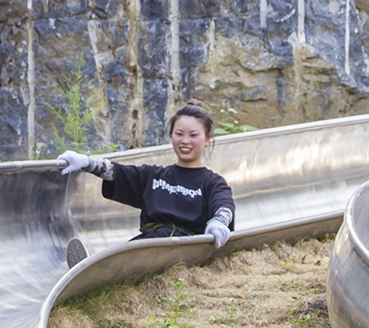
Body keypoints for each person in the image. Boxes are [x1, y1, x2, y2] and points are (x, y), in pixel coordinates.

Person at [57, 100, 235, 268]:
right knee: (123, 257)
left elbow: (224, 205)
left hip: (187, 251)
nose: (185, 141)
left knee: (129, 263)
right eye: (179, 134)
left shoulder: (212, 182)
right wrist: (88, 162)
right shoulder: (154, 176)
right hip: (148, 245)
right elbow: (118, 172)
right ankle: (89, 268)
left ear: (207, 139)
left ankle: (96, 269)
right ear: (171, 135)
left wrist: (219, 222)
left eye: (193, 135)